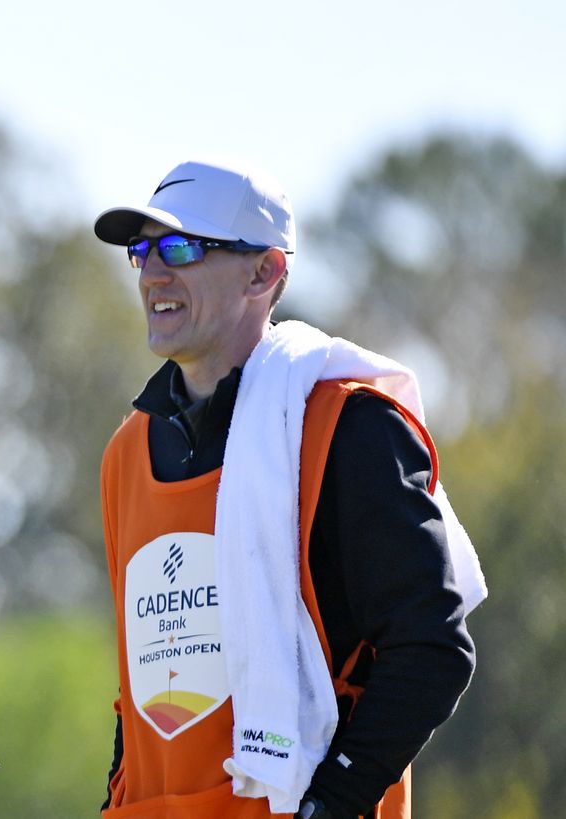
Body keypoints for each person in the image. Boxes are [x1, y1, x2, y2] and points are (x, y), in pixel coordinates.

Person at [92, 158, 480, 818]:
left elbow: (432, 647)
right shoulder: (126, 451)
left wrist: (330, 803)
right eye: (144, 249)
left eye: (183, 247)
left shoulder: (349, 427)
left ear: (265, 270)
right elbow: (141, 691)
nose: (155, 271)